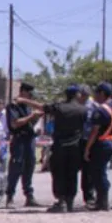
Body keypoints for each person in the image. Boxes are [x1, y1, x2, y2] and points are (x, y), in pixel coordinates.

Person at [41, 85, 90, 213]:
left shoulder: (59, 107)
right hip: (76, 147)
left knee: (59, 174)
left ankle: (61, 201)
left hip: (60, 147)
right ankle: (70, 202)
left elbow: (43, 108)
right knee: (72, 174)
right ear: (77, 95)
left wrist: (24, 101)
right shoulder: (83, 110)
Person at [83, 82, 112, 212]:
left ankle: (102, 202)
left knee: (98, 172)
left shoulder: (100, 110)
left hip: (101, 143)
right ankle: (102, 201)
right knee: (101, 171)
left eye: (96, 93)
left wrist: (87, 149)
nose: (95, 96)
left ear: (102, 94)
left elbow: (94, 131)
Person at [5, 83, 43, 207]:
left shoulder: (28, 106)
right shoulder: (13, 106)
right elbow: (15, 123)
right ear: (23, 92)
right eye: (29, 93)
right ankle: (10, 196)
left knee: (29, 167)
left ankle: (29, 196)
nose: (31, 97)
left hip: (30, 139)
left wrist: (36, 118)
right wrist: (32, 116)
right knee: (16, 167)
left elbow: (29, 122)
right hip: (19, 139)